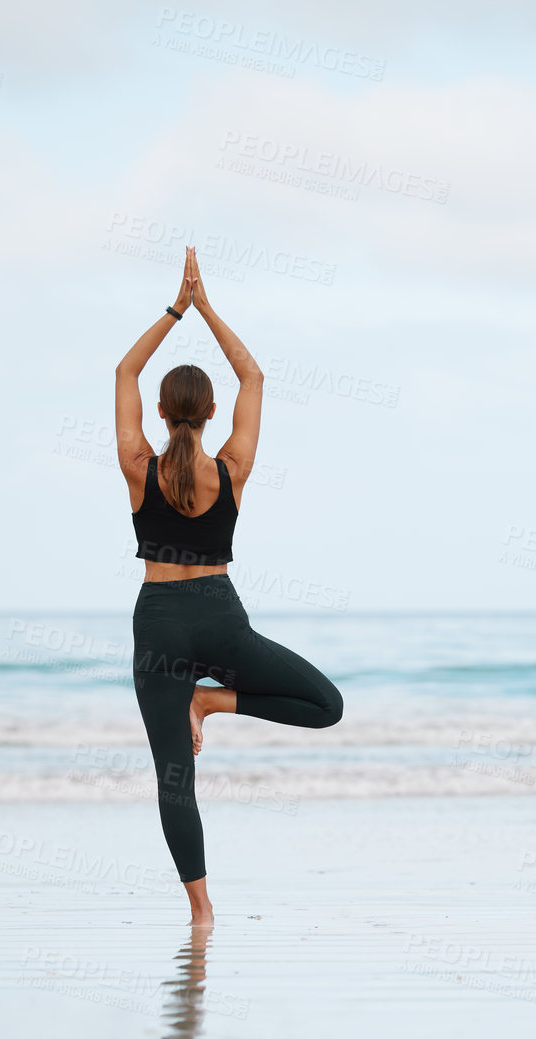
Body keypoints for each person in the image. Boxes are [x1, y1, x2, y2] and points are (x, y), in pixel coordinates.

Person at [116, 246, 343, 926]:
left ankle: (202, 913)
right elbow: (255, 374)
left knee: (173, 780)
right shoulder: (233, 466)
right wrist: (208, 308)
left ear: (160, 411)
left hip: (158, 619)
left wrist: (174, 309)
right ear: (212, 414)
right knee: (325, 704)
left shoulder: (137, 465)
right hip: (219, 617)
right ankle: (213, 702)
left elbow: (125, 368)